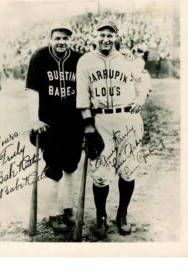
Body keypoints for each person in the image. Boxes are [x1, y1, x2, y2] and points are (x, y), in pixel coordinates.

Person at [76, 20, 151, 239]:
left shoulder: (128, 59)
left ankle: (122, 215)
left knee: (128, 170)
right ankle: (101, 217)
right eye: (101, 34)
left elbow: (145, 80)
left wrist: (140, 98)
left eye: (110, 34)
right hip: (101, 121)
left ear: (115, 36)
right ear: (94, 36)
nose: (106, 38)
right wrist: (88, 125)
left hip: (128, 119)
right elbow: (82, 96)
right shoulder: (85, 61)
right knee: (100, 173)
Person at [26, 23, 84, 233]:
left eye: (66, 38)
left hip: (74, 121)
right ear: (51, 39)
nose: (62, 42)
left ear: (71, 40)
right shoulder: (40, 57)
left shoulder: (78, 59)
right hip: (49, 123)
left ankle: (66, 206)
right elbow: (32, 91)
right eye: (58, 38)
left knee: (71, 165)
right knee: (54, 167)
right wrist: (34, 119)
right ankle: (53, 213)